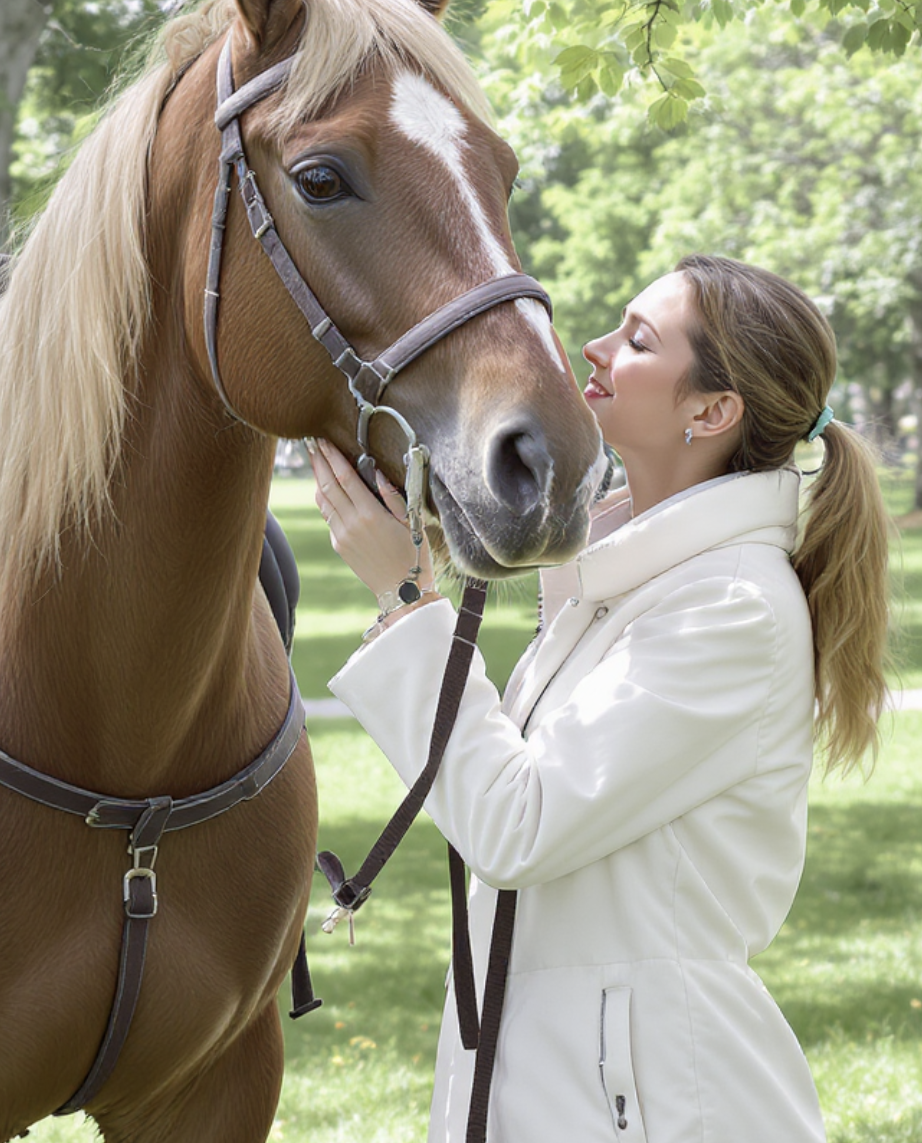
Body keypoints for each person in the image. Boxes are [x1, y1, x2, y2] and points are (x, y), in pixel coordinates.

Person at [309, 253, 892, 1143]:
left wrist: (403, 602)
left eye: (637, 340)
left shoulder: (728, 609)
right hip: (573, 1085)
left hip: (656, 1104)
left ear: (711, 411)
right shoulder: (636, 586)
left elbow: (516, 823)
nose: (592, 346)